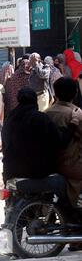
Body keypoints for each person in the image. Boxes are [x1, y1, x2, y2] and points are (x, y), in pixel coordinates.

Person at [2, 88, 76, 184]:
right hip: (38, 172)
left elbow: (5, 147)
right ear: (35, 100)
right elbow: (60, 141)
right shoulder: (40, 118)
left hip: (10, 171)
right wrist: (73, 124)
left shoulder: (9, 120)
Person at [45, 77, 82, 206]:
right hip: (71, 165)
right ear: (75, 93)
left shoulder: (46, 113)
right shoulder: (76, 114)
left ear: (55, 93)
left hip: (48, 164)